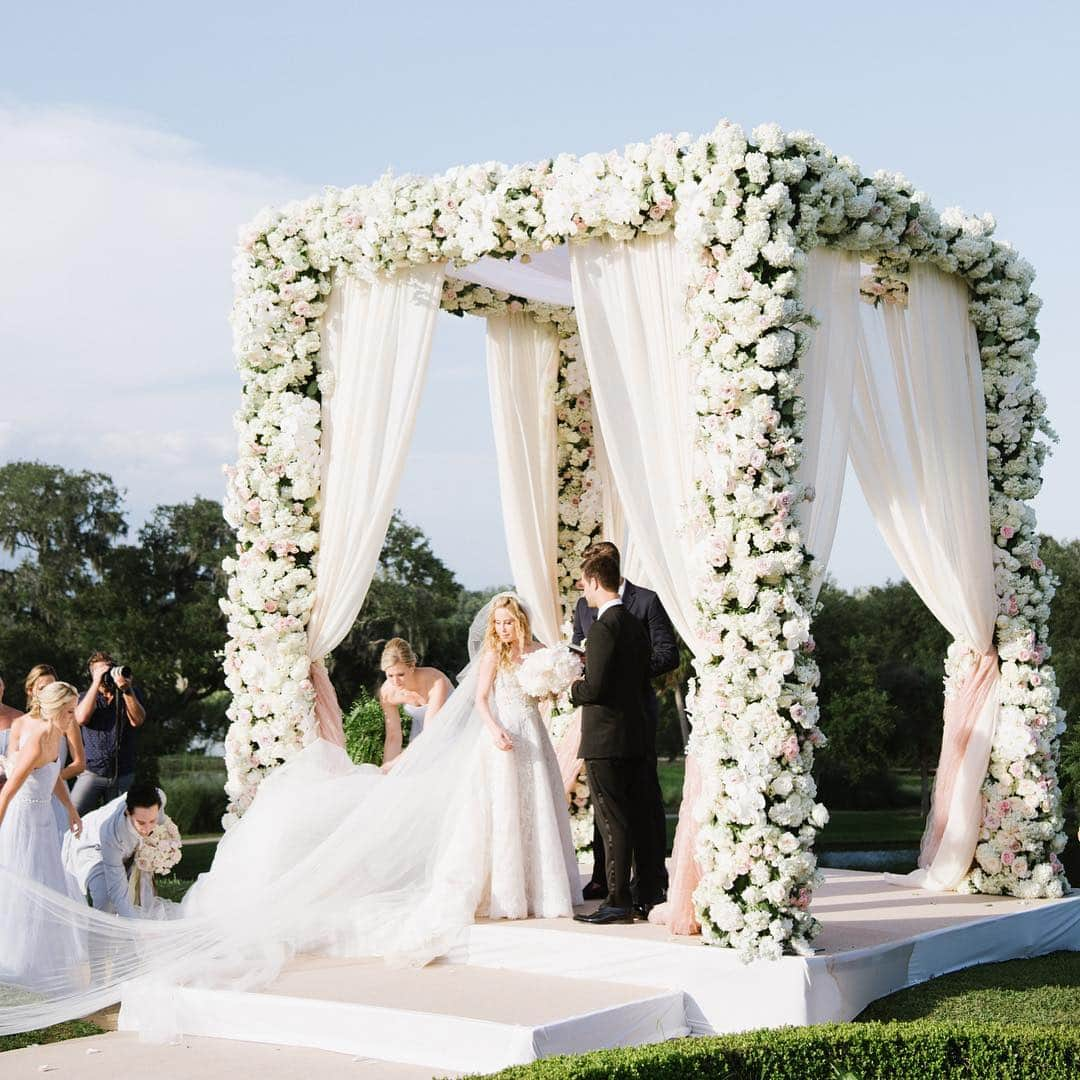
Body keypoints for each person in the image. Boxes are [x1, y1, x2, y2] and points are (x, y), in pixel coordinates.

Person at [0, 593, 582, 1035]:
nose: (395, 684)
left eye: (511, 623)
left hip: (522, 740)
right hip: (493, 741)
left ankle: (537, 885)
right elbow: (428, 726)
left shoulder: (507, 663)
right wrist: (395, 770)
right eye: (500, 624)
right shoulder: (455, 674)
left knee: (526, 814)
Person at [571, 541, 678, 908]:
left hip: (635, 715)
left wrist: (623, 676)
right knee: (608, 803)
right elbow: (578, 651)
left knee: (643, 802)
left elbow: (667, 654)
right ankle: (605, 879)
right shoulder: (585, 609)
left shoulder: (645, 603)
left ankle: (649, 883)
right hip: (601, 716)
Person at [0, 681, 85, 987]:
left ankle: (39, 959)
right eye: (69, 711)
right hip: (22, 821)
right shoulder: (36, 738)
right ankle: (16, 961)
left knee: (48, 883)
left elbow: (53, 775)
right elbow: (7, 792)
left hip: (45, 818)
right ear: (53, 709)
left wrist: (71, 809)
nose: (73, 717)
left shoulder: (56, 733)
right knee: (24, 885)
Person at [63, 782, 166, 918]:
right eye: (141, 822)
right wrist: (135, 932)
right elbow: (118, 893)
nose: (147, 829)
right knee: (106, 901)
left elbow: (161, 821)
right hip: (90, 844)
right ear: (128, 813)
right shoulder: (111, 834)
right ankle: (101, 935)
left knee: (136, 895)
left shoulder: (159, 796)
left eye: (152, 821)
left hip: (122, 845)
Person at [71, 652, 146, 815]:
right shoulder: (84, 697)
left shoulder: (130, 693)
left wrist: (126, 690)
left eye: (109, 670)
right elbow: (81, 718)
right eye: (102, 672)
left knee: (120, 820)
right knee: (73, 815)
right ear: (92, 674)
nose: (107, 675)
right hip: (92, 771)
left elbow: (138, 720)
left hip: (122, 772)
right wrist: (97, 681)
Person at [23, 664, 87, 841]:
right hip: (28, 795)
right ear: (30, 690)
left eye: (52, 687)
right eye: (42, 688)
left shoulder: (68, 718)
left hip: (56, 795)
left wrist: (52, 778)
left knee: (57, 845)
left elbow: (79, 763)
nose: (47, 693)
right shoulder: (24, 722)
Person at [379, 638, 452, 764]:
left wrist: (393, 764)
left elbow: (430, 733)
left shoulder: (435, 680)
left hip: (453, 728)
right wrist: (387, 768)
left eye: (400, 675)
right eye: (390, 676)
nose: (395, 682)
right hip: (421, 735)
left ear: (412, 667)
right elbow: (393, 736)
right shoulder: (387, 693)